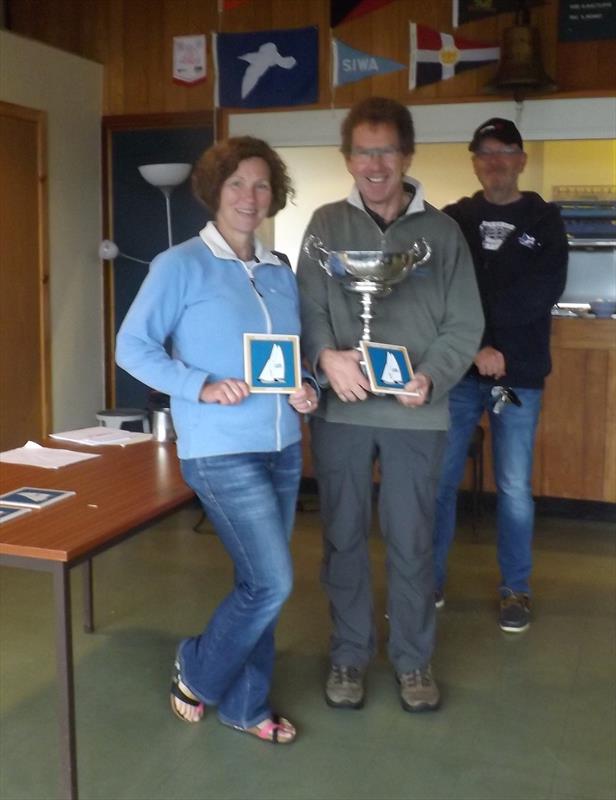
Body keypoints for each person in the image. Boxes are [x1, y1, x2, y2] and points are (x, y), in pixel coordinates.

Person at [116, 136, 317, 744]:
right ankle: (198, 669)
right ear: (215, 191)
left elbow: (294, 357)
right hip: (218, 449)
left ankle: (247, 706)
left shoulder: (279, 272)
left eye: (261, 185)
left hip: (281, 445)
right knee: (274, 581)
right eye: (237, 184)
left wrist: (306, 386)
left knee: (261, 582)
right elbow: (133, 348)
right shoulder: (179, 265)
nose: (250, 197)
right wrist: (199, 385)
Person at [296, 97, 484, 713]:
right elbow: (310, 309)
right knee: (344, 537)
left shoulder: (441, 232)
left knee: (412, 540)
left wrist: (429, 377)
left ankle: (412, 661)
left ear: (407, 155)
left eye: (386, 150)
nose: (375, 164)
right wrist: (327, 357)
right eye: (363, 151)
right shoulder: (325, 225)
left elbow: (465, 324)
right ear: (348, 158)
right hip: (343, 413)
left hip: (416, 413)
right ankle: (349, 656)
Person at [433, 118, 568, 633]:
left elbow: (543, 291)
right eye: (485, 152)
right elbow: (444, 293)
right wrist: (476, 347)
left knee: (513, 486)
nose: (495, 161)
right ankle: (430, 579)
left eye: (505, 150)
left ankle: (516, 589)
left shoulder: (544, 220)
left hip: (517, 378)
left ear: (521, 159)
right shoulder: (454, 220)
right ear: (474, 162)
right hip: (462, 377)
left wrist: (496, 348)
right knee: (441, 481)